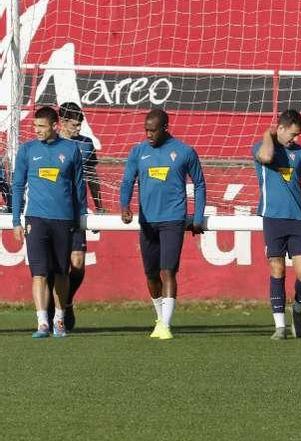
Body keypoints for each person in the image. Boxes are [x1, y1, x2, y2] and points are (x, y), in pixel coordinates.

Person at [120, 109, 206, 340]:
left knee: (168, 271)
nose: (148, 134)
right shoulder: (138, 152)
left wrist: (197, 217)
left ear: (165, 128)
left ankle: (166, 325)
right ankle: (160, 319)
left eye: (153, 130)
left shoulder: (185, 152)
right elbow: (128, 179)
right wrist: (124, 205)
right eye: (146, 129)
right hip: (147, 221)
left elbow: (199, 183)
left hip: (173, 219)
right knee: (151, 274)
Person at [11, 106, 86, 338]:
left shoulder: (71, 150)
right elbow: (17, 186)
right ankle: (42, 322)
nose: (37, 130)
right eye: (35, 126)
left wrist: (80, 219)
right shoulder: (27, 150)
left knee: (61, 272)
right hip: (36, 219)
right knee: (39, 273)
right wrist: (16, 219)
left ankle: (59, 320)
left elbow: (79, 188)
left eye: (41, 126)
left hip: (64, 220)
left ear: (55, 126)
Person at [253, 109, 301, 340]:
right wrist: (269, 133)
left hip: (296, 220)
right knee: (277, 269)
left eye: (298, 135)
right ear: (281, 128)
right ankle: (280, 326)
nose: (296, 139)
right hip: (272, 218)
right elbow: (265, 157)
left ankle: (297, 308)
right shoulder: (263, 147)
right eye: (292, 134)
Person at [45, 102, 105, 331]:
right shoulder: (49, 143)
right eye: (73, 124)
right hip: (51, 211)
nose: (78, 128)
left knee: (77, 264)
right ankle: (52, 307)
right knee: (53, 266)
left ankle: (66, 301)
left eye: (80, 123)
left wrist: (99, 207)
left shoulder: (86, 145)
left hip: (76, 212)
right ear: (61, 123)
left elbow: (93, 178)